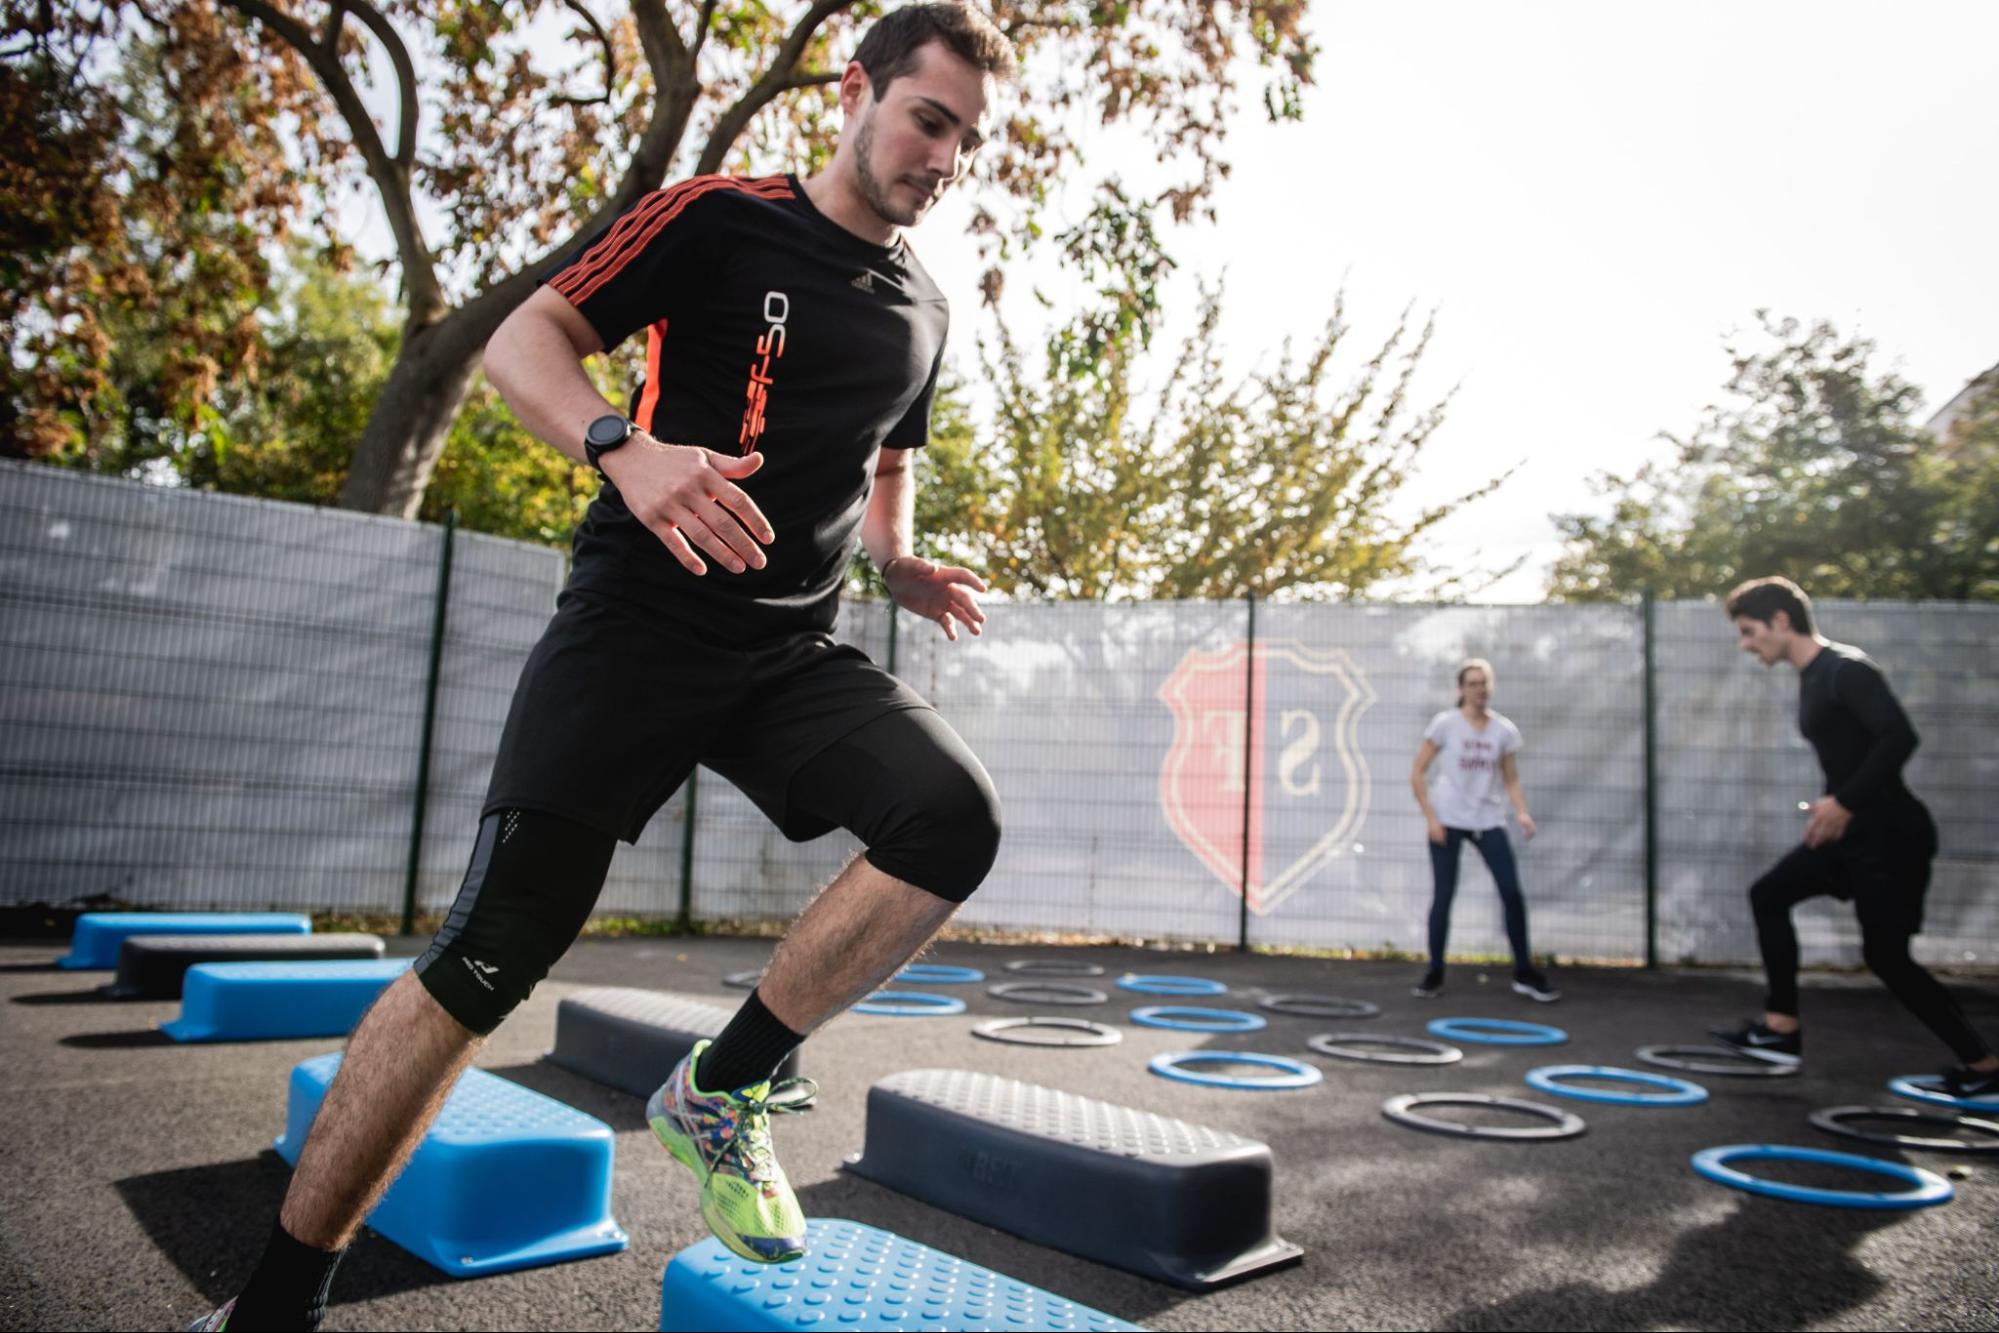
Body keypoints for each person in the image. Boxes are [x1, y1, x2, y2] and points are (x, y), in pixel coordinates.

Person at [189, 7, 1018, 1330]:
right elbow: (531, 336)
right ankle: (273, 1305)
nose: (946, 155)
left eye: (969, 138)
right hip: (637, 622)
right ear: (856, 91)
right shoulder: (715, 218)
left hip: (785, 647)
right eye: (930, 118)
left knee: (951, 818)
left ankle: (724, 1084)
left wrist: (899, 561)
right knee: (481, 963)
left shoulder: (923, 309)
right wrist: (619, 449)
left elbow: (886, 462)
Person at [1709, 577, 1997, 1094]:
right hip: (1849, 834)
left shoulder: (1845, 669)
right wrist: (1833, 806)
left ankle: (1984, 1065)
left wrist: (1843, 801)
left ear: (1781, 621)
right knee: (1769, 894)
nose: (1746, 645)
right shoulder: (1812, 676)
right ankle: (1780, 1030)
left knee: (1888, 958)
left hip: (1891, 837)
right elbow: (1853, 752)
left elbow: (1899, 737)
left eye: (1750, 632)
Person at [1408, 658, 1558, 1002]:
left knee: (1511, 892)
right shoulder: (1445, 724)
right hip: (1447, 818)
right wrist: (1431, 818)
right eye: (1473, 684)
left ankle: (1524, 971)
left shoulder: (1502, 731)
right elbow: (1417, 772)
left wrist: (1522, 812)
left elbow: (1511, 777)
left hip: (1487, 818)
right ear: (1461, 689)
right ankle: (1434, 972)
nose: (1480, 690)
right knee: (1444, 896)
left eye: (1485, 683)